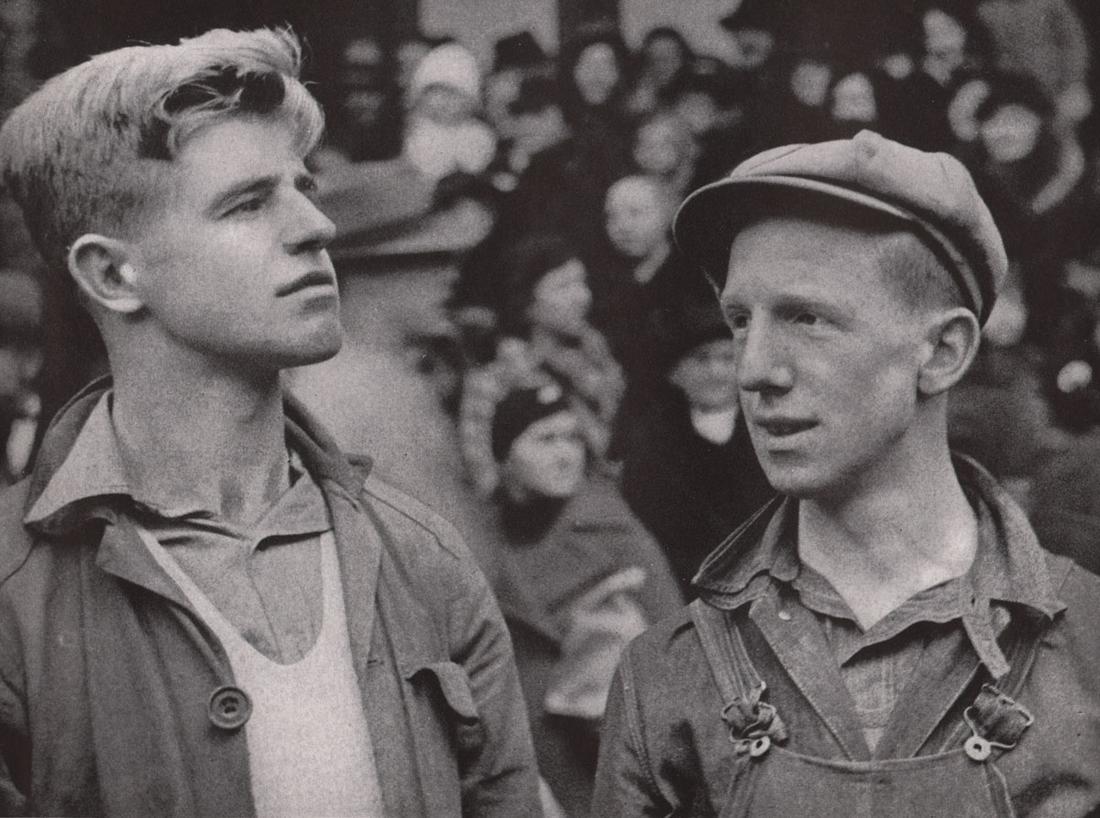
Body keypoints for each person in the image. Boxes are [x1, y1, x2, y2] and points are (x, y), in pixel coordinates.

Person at [0, 27, 540, 816]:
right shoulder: (15, 596)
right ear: (113, 273)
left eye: (303, 187)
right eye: (249, 203)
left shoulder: (423, 560)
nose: (315, 227)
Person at [592, 129, 1100, 815]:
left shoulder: (1087, 651)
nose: (754, 370)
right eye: (741, 319)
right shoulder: (670, 675)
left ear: (943, 351)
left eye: (807, 317)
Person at [485, 382, 682, 818]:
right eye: (545, 439)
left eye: (573, 438)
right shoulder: (479, 538)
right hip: (527, 748)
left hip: (608, 741)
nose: (565, 454)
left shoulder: (610, 528)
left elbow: (673, 633)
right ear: (505, 456)